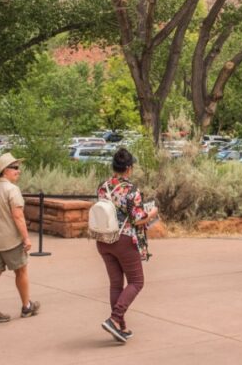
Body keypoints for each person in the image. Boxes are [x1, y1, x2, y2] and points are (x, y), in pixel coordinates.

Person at [96, 147, 155, 344]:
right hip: (124, 239)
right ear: (129, 168)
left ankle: (120, 327)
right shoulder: (131, 190)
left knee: (116, 284)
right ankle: (114, 319)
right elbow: (138, 218)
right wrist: (152, 214)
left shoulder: (103, 187)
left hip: (104, 238)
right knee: (137, 281)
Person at [0, 151, 40, 324]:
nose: (18, 171)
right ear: (5, 171)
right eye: (15, 168)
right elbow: (18, 216)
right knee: (21, 270)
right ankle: (26, 306)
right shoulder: (12, 189)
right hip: (11, 240)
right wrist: (26, 238)